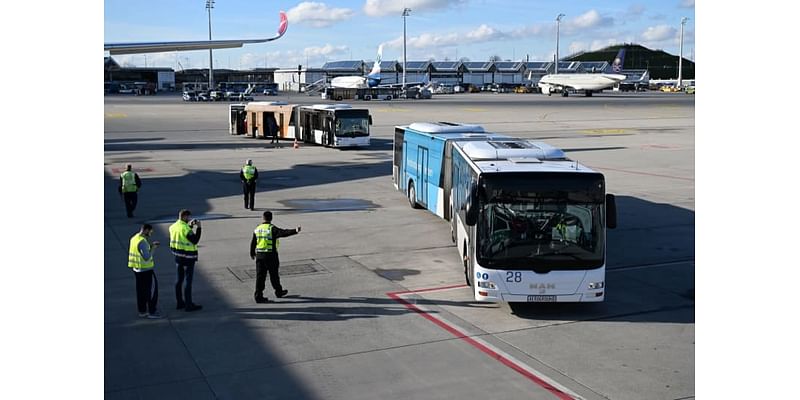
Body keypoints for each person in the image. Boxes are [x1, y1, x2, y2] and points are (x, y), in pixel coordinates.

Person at [250, 211, 301, 303]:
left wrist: (252, 253)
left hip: (260, 256)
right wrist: (295, 230)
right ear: (271, 218)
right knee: (274, 275)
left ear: (263, 218)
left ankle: (258, 295)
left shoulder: (257, 229)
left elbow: (253, 242)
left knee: (260, 276)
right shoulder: (271, 228)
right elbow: (283, 233)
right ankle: (278, 291)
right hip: (271, 255)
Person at [169, 209, 203, 312]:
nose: (189, 219)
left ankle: (179, 302)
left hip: (178, 256)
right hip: (188, 258)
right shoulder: (186, 229)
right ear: (184, 217)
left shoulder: (173, 227)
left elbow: (182, 237)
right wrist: (199, 227)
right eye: (188, 218)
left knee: (179, 280)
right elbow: (195, 240)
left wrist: (190, 226)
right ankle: (189, 305)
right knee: (188, 281)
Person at [128, 224, 162, 319]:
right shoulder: (142, 242)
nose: (151, 234)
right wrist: (153, 248)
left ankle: (142, 311)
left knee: (140, 291)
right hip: (146, 270)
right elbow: (147, 257)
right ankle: (152, 311)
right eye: (150, 232)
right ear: (146, 230)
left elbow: (139, 251)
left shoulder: (134, 238)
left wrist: (150, 246)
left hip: (137, 269)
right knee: (151, 291)